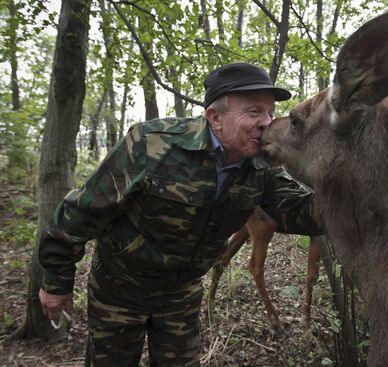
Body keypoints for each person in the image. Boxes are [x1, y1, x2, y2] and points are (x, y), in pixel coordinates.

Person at [38, 62, 322, 366]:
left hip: (181, 296)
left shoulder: (261, 167)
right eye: (253, 112)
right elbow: (80, 213)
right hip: (120, 291)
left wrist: (355, 194)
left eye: (269, 112)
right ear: (215, 118)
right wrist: (56, 282)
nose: (266, 122)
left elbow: (297, 214)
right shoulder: (152, 144)